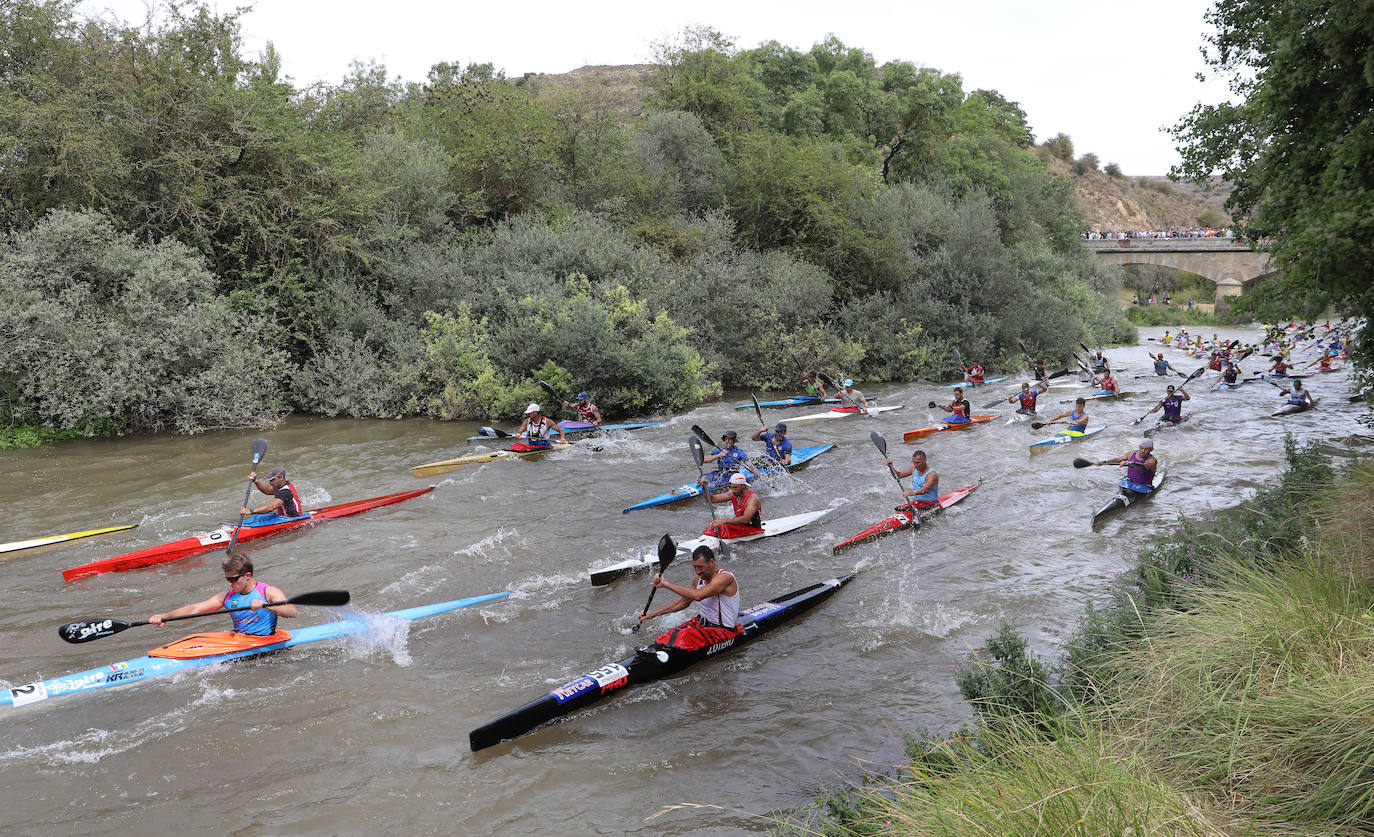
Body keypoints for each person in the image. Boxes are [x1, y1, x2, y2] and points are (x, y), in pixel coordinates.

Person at [149, 555, 297, 636]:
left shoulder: (268, 592)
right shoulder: (227, 596)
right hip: (240, 641)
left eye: (233, 579)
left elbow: (291, 612)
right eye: (227, 579)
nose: (230, 583)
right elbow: (195, 609)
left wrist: (266, 606)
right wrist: (165, 616)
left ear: (247, 576)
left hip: (266, 644)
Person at [638, 545, 742, 651]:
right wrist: (652, 614)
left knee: (683, 636)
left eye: (700, 567)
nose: (697, 571)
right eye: (695, 567)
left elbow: (698, 595)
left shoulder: (724, 578)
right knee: (668, 636)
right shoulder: (698, 579)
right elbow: (684, 602)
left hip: (723, 631)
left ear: (711, 562)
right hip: (701, 624)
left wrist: (665, 584)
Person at [697, 471, 763, 539]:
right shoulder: (733, 493)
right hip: (740, 527)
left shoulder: (753, 499)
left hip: (753, 529)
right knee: (714, 524)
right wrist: (704, 488)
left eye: (735, 487)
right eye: (731, 487)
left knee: (721, 526)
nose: (733, 490)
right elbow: (712, 499)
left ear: (743, 486)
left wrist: (724, 521)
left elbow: (745, 519)